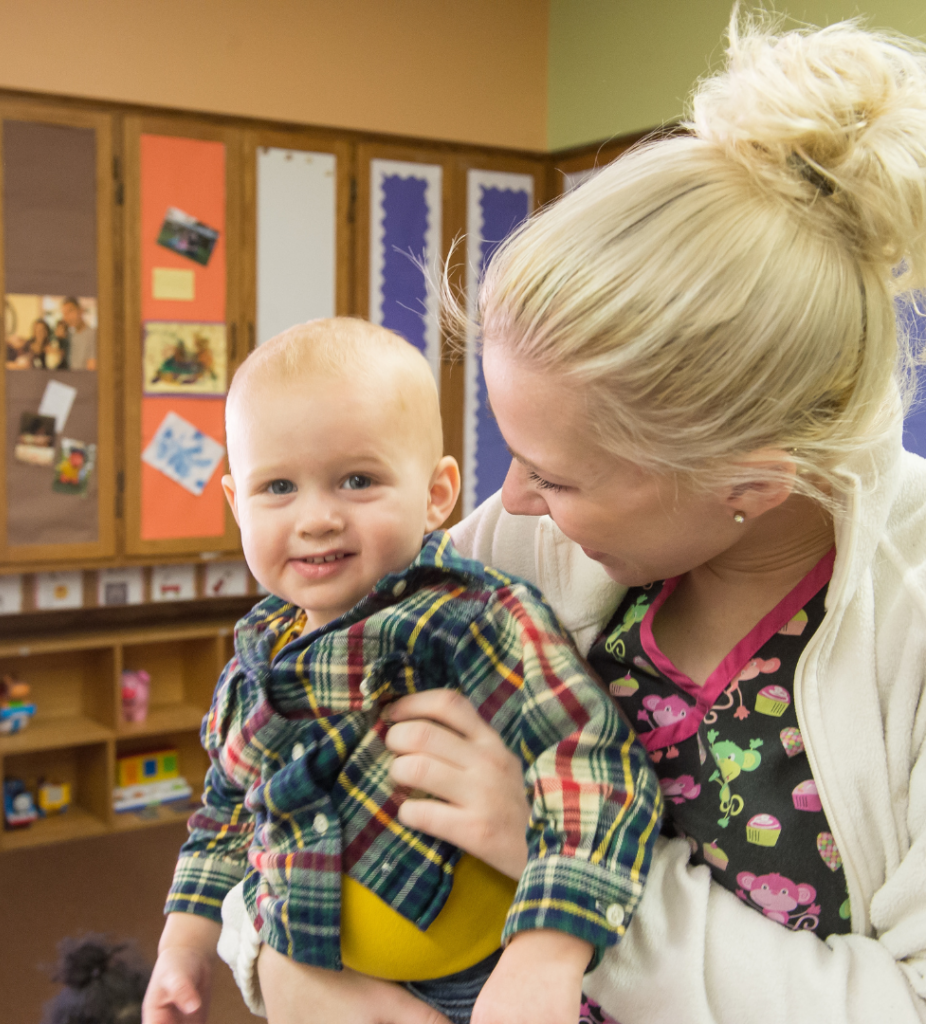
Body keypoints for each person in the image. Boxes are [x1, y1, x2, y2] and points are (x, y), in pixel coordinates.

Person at [242, 14, 926, 1024]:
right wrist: (279, 962)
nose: (507, 500)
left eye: (554, 476)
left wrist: (565, 859)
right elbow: (269, 750)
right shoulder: (518, 546)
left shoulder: (902, 617)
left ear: (750, 484)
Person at [142, 318, 662, 1024]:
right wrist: (185, 945)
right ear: (236, 504)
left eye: (357, 480)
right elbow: (228, 813)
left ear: (436, 493)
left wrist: (550, 946)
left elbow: (589, 767)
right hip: (320, 976)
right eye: (278, 487)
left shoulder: (468, 619)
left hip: (482, 984)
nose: (317, 517)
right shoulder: (253, 660)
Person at [62, 297, 97, 370]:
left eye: (70, 311)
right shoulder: (71, 336)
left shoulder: (93, 334)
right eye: (64, 314)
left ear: (80, 311)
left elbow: (92, 366)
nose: (67, 317)